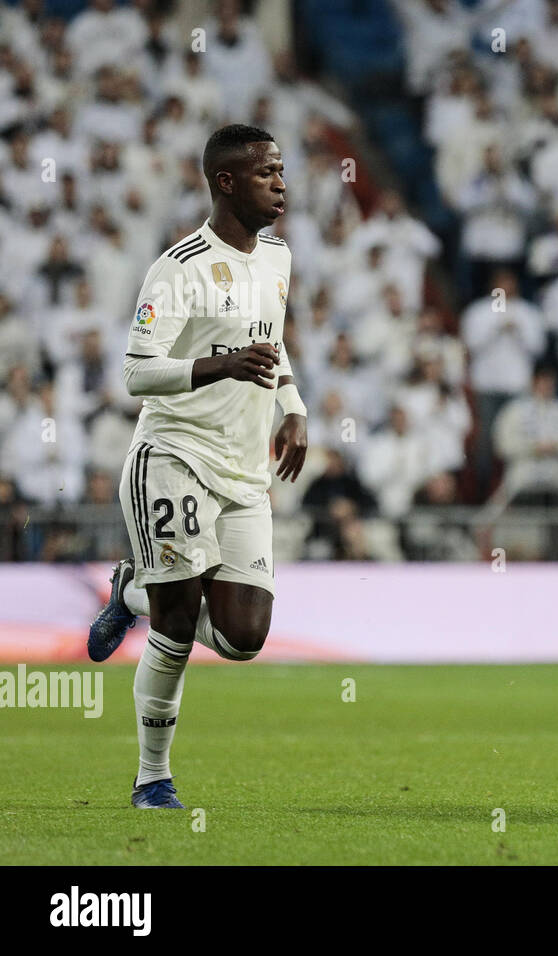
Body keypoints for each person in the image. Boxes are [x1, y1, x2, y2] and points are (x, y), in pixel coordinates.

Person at [87, 125, 309, 809]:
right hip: (173, 457)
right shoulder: (178, 268)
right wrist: (220, 365)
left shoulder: (277, 257)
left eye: (280, 169)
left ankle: (131, 587)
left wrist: (293, 405)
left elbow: (271, 344)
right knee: (177, 627)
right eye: (266, 172)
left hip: (244, 474)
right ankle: (153, 777)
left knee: (244, 639)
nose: (280, 182)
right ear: (226, 183)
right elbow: (135, 372)